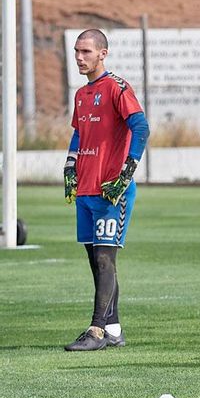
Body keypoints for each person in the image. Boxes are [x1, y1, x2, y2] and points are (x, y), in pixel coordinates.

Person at [63, 29, 150, 351]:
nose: (79, 57)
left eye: (86, 51)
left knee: (104, 258)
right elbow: (78, 133)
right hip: (86, 188)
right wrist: (70, 165)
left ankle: (96, 331)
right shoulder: (81, 94)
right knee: (97, 262)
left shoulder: (117, 87)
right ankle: (113, 329)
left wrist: (127, 171)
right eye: (76, 51)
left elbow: (141, 127)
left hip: (111, 190)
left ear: (103, 53)